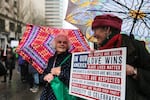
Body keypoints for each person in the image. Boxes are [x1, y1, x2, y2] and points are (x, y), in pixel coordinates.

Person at [91, 14, 150, 100]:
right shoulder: (99, 50)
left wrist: (134, 72)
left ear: (107, 29)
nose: (94, 35)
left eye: (96, 30)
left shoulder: (135, 47)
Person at [40, 34, 72, 100]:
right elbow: (43, 74)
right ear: (55, 44)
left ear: (67, 45)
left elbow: (74, 79)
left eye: (65, 42)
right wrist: (45, 77)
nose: (62, 44)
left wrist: (59, 73)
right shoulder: (51, 59)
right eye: (59, 42)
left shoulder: (72, 58)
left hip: (63, 94)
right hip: (48, 94)